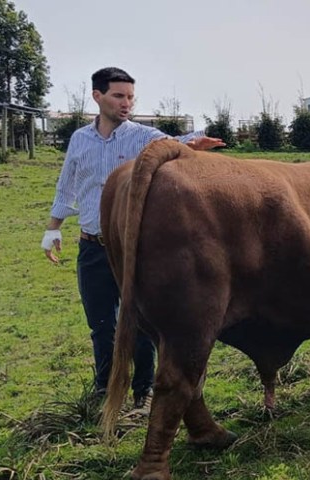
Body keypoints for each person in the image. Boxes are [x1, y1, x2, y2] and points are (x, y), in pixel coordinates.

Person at [41, 67, 224, 408]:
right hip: (92, 247)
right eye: (118, 96)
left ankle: (143, 391)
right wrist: (53, 229)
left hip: (131, 248)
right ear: (97, 96)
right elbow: (67, 185)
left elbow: (172, 143)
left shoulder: (141, 136)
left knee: (139, 322)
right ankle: (105, 389)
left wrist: (194, 143)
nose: (126, 104)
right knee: (101, 326)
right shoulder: (80, 139)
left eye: (130, 97)